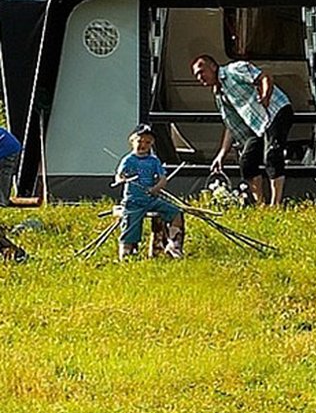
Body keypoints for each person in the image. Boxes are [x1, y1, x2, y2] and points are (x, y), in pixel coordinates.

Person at [193, 53, 293, 206]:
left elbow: (265, 77)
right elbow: (231, 125)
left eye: (202, 72)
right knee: (247, 161)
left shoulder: (234, 69)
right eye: (196, 76)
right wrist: (221, 154)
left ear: (213, 67)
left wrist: (265, 96)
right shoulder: (219, 95)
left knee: (272, 154)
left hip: (275, 111)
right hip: (256, 125)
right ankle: (260, 204)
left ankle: (276, 204)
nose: (200, 78)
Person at [114, 124, 184, 260]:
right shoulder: (128, 160)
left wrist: (156, 188)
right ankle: (127, 252)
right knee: (130, 225)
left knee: (176, 212)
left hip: (151, 199)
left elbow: (163, 179)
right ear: (132, 141)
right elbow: (118, 176)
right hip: (134, 201)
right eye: (140, 141)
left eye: (147, 142)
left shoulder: (154, 161)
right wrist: (122, 179)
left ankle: (173, 244)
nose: (143, 145)